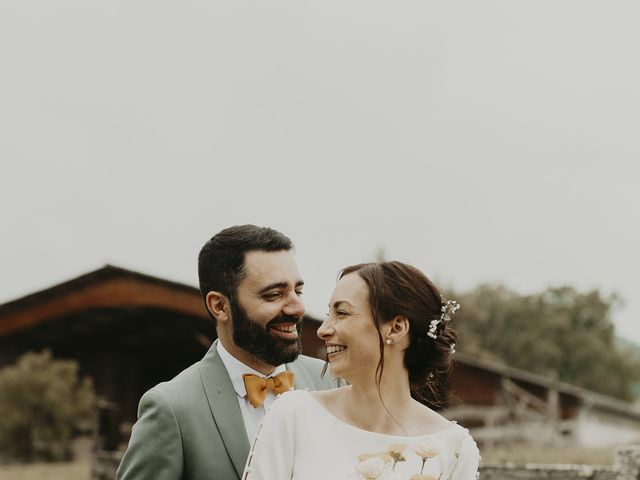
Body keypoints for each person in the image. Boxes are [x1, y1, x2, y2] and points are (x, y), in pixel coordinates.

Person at [116, 225, 338, 480]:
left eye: (297, 291)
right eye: (274, 294)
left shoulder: (331, 381)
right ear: (220, 306)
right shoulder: (172, 409)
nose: (297, 307)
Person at [243, 261, 480, 480]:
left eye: (342, 313)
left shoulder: (454, 447)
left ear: (396, 328)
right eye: (328, 314)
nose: (323, 330)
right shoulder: (293, 414)